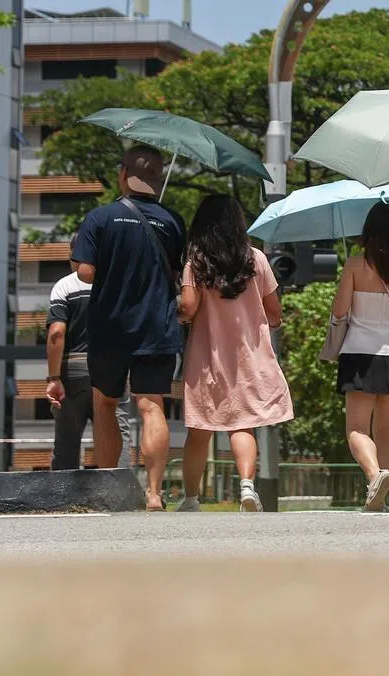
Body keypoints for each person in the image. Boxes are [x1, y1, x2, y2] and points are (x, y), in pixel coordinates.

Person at [71, 145, 186, 512]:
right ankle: (154, 494)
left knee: (105, 403)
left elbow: (84, 272)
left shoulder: (101, 217)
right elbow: (181, 273)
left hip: (110, 327)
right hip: (158, 327)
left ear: (123, 174)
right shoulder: (172, 221)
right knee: (152, 405)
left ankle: (109, 487)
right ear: (157, 177)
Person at [177, 194, 294, 513]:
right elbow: (273, 310)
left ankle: (190, 499)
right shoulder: (256, 258)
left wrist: (180, 312)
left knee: (199, 429)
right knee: (242, 425)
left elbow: (188, 307)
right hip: (249, 357)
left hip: (208, 360)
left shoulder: (196, 264)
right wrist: (270, 320)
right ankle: (247, 486)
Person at [330, 201, 389, 511]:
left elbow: (339, 311)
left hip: (360, 353)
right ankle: (382, 490)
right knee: (386, 430)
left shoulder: (355, 264)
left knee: (356, 428)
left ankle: (374, 475)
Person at [44, 249, 132, 471]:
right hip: (111, 369)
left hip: (72, 371)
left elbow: (56, 334)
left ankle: (64, 499)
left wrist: (54, 377)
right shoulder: (118, 284)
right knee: (116, 432)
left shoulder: (64, 286)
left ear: (73, 257)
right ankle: (118, 494)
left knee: (66, 441)